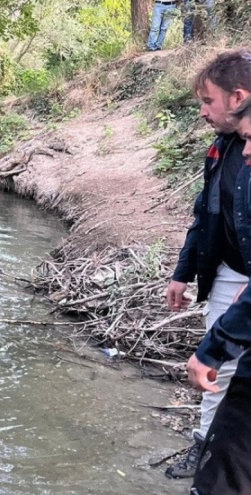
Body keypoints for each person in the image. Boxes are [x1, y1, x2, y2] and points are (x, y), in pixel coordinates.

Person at [168, 49, 251, 482]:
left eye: (207, 101)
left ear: (238, 96)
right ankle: (204, 447)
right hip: (231, 270)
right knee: (220, 362)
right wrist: (183, 272)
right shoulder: (221, 148)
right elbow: (206, 213)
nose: (202, 112)